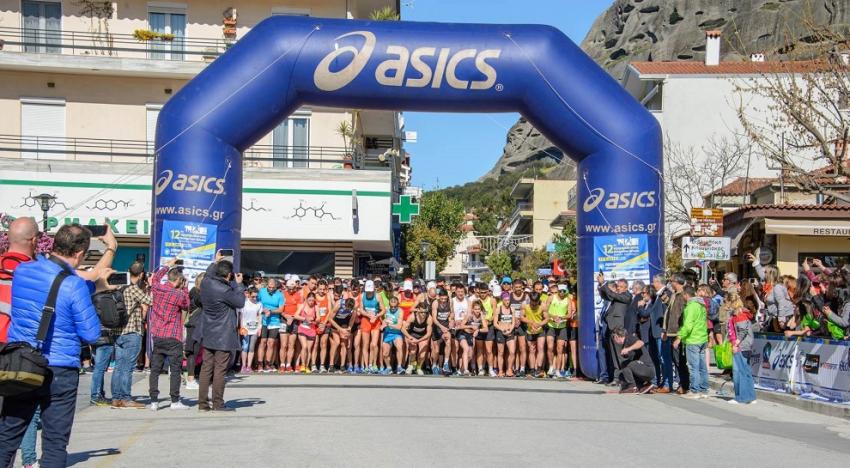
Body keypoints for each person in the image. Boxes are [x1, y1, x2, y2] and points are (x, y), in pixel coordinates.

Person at [0, 224, 106, 468]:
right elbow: (91, 333)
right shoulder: (74, 285)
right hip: (59, 369)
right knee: (55, 443)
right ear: (79, 253)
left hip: (21, 362)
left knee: (7, 436)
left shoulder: (23, 271)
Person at [196, 257, 244, 412]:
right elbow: (240, 302)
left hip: (208, 332)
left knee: (206, 368)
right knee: (220, 370)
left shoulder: (206, 283)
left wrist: (215, 262)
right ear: (229, 275)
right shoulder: (225, 290)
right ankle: (218, 403)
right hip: (223, 335)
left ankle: (202, 404)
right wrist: (239, 285)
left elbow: (209, 273)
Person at [147, 258, 190, 411]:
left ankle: (154, 401)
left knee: (155, 370)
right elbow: (186, 305)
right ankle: (174, 400)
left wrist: (167, 266)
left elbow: (155, 278)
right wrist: (185, 289)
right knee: (175, 370)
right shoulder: (178, 294)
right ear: (178, 280)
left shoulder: (157, 288)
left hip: (158, 335)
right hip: (173, 336)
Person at [110, 261, 151, 409]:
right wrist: (150, 286)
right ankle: (126, 398)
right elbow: (150, 301)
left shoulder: (119, 287)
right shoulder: (133, 289)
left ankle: (116, 398)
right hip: (132, 331)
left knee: (118, 367)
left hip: (117, 332)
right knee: (128, 368)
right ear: (141, 274)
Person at [673, 286, 709, 399]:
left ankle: (695, 391)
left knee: (694, 367)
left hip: (693, 339)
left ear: (686, 295)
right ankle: (704, 390)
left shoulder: (691, 307)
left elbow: (688, 325)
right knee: (702, 366)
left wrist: (679, 337)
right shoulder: (701, 305)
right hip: (702, 338)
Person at [725, 295, 756, 405]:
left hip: (741, 346)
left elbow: (742, 331)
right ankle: (750, 396)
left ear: (731, 303)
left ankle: (741, 397)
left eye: (726, 302)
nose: (725, 304)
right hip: (745, 345)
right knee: (746, 371)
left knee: (738, 372)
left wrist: (736, 344)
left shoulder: (739, 315)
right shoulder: (741, 314)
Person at [660, 274, 688, 394]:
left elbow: (682, 314)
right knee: (675, 360)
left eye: (671, 281)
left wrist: (680, 334)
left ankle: (684, 385)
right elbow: (672, 310)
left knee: (680, 360)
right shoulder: (674, 295)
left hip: (678, 331)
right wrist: (665, 299)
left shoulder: (682, 295)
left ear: (676, 282)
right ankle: (681, 383)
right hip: (671, 332)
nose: (670, 283)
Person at [612, 327, 656, 394]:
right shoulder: (624, 345)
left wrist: (628, 349)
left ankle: (632, 387)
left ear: (617, 336)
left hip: (648, 369)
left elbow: (641, 343)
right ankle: (643, 386)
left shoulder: (629, 337)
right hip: (642, 370)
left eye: (614, 338)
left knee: (625, 364)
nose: (615, 341)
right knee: (623, 372)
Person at [258, 278, 284, 373]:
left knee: (271, 343)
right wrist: (263, 310)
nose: (271, 289)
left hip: (274, 321)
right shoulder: (262, 291)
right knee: (263, 342)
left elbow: (281, 309)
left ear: (276, 286)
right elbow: (257, 303)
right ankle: (260, 363)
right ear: (267, 285)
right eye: (269, 287)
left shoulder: (280, 295)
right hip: (263, 320)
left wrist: (271, 311)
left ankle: (268, 363)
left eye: (273, 287)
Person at [545, 284, 570, 378]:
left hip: (562, 326)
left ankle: (558, 370)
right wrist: (553, 317)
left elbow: (569, 314)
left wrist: (561, 318)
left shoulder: (568, 299)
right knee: (550, 347)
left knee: (560, 349)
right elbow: (545, 311)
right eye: (560, 291)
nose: (562, 293)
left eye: (564, 291)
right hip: (551, 325)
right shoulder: (551, 297)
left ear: (566, 291)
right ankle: (551, 367)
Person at [185, 273, 205, 389]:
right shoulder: (195, 292)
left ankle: (193, 377)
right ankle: (190, 380)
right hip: (194, 326)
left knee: (197, 352)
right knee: (192, 352)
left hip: (199, 325)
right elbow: (201, 302)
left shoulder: (197, 292)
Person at [359, 280, 384, 374]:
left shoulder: (378, 296)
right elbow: (361, 309)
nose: (369, 292)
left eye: (370, 291)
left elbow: (383, 310)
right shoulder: (362, 296)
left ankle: (373, 364)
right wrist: (368, 315)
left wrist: (376, 316)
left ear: (373, 289)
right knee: (365, 345)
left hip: (375, 321)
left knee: (374, 344)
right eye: (367, 291)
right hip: (366, 321)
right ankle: (366, 366)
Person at [521, 292, 547, 378]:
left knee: (540, 348)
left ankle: (539, 369)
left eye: (536, 303)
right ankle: (532, 370)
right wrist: (531, 322)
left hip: (540, 330)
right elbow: (522, 317)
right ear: (530, 300)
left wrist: (539, 324)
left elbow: (546, 318)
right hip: (530, 330)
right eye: (532, 303)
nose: (534, 304)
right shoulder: (525, 305)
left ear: (539, 300)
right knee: (532, 350)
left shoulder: (543, 305)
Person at [238, 287, 263, 373]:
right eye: (253, 296)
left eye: (256, 296)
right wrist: (242, 327)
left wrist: (259, 328)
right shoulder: (244, 303)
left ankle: (249, 366)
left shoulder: (259, 304)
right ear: (248, 294)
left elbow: (259, 316)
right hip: (245, 328)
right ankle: (243, 366)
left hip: (255, 328)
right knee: (245, 347)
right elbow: (241, 316)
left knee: (251, 348)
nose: (255, 298)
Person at [329, 297, 356, 373]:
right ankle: (331, 365)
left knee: (344, 344)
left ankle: (342, 366)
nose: (348, 309)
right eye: (347, 308)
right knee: (336, 343)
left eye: (349, 309)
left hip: (344, 323)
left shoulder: (353, 308)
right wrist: (340, 329)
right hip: (335, 323)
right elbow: (330, 319)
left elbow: (352, 319)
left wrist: (349, 328)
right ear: (345, 304)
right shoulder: (339, 304)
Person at [403, 305, 432, 375]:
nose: (423, 314)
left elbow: (428, 334)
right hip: (412, 335)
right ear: (418, 311)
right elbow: (403, 328)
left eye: (425, 312)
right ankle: (411, 365)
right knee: (413, 351)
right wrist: (409, 337)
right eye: (422, 312)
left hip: (423, 336)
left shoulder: (429, 318)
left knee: (422, 355)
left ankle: (418, 368)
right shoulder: (412, 317)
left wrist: (418, 341)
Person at [281, 278, 302, 373]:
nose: (291, 290)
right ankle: (282, 364)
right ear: (286, 287)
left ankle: (288, 364)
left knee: (291, 345)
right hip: (284, 320)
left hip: (294, 320)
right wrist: (286, 316)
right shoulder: (282, 294)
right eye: (289, 288)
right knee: (283, 344)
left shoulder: (298, 295)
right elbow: (280, 309)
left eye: (293, 288)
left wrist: (292, 318)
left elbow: (299, 310)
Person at [494, 292, 517, 377]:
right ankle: (500, 371)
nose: (507, 301)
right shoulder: (498, 309)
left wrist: (510, 330)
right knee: (501, 352)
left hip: (510, 332)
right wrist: (502, 330)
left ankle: (509, 369)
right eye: (506, 300)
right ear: (502, 300)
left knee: (512, 352)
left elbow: (513, 322)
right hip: (501, 332)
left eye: (508, 300)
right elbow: (495, 323)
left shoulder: (512, 309)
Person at [430, 288, 452, 375]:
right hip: (437, 327)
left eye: (445, 299)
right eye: (442, 299)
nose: (443, 300)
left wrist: (451, 320)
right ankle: (434, 364)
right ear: (439, 297)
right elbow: (434, 319)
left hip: (445, 327)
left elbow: (451, 314)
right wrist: (441, 327)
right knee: (436, 350)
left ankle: (445, 364)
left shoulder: (450, 302)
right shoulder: (435, 303)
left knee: (448, 340)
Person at [295, 293, 319, 373]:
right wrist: (305, 319)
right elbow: (296, 315)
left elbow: (318, 318)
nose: (311, 302)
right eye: (309, 300)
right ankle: (302, 364)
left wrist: (314, 320)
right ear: (306, 299)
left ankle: (307, 366)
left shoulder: (316, 307)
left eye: (312, 300)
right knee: (304, 346)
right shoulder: (302, 306)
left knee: (309, 349)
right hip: (302, 328)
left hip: (311, 329)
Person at [381, 296, 405, 375]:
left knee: (399, 347)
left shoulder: (400, 311)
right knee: (385, 353)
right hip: (388, 333)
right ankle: (388, 368)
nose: (393, 308)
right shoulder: (386, 310)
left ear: (398, 305)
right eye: (392, 306)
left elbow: (399, 326)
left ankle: (399, 367)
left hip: (397, 333)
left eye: (395, 306)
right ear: (389, 305)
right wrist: (383, 324)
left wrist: (389, 324)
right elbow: (382, 318)